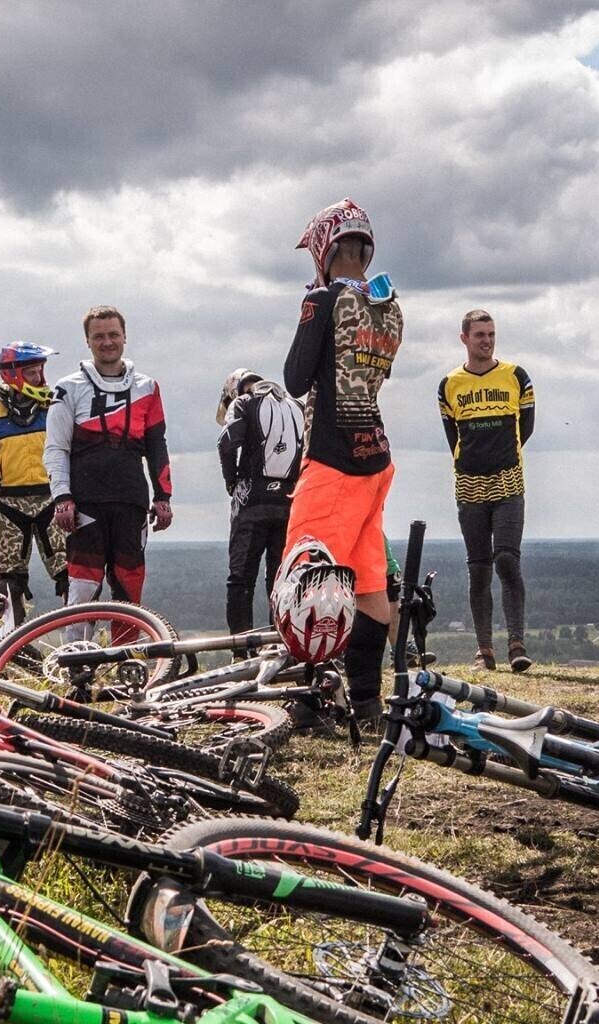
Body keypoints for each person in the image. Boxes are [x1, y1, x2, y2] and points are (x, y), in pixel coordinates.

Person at [282, 199, 404, 722]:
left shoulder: (323, 299)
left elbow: (295, 378)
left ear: (324, 248)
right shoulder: (388, 304)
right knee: (370, 581)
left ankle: (309, 697)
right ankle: (368, 698)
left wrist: (313, 307)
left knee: (304, 574)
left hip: (332, 459)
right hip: (375, 456)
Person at [44, 307, 172, 618]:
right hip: (85, 503)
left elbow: (157, 445)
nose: (107, 342)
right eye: (98, 336)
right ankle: (77, 649)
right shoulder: (68, 387)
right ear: (87, 341)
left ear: (124, 337)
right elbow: (56, 448)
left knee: (129, 585)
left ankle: (128, 648)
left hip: (131, 501)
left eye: (113, 334)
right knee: (83, 585)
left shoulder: (147, 387)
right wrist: (62, 497)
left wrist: (163, 497)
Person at [438, 309, 535, 672]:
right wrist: (473, 460)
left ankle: (517, 644)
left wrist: (501, 455)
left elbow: (526, 427)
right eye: (480, 335)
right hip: (469, 484)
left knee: (507, 560)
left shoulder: (517, 377)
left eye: (491, 334)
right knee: (478, 568)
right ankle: (484, 651)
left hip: (508, 481)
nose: (487, 341)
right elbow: (453, 436)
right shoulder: (449, 385)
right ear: (464, 338)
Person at [0, 341, 68, 623]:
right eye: (32, 373)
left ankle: (81, 637)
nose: (39, 378)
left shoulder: (54, 406)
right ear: (13, 375)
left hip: (52, 499)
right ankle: (11, 639)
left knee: (70, 572)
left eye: (40, 371)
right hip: (10, 503)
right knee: (9, 579)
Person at [216, 368, 304, 647]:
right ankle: (281, 644)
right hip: (291, 501)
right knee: (281, 578)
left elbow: (226, 443)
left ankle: (241, 650)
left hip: (251, 501)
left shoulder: (243, 403)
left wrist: (232, 481)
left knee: (241, 579)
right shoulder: (295, 405)